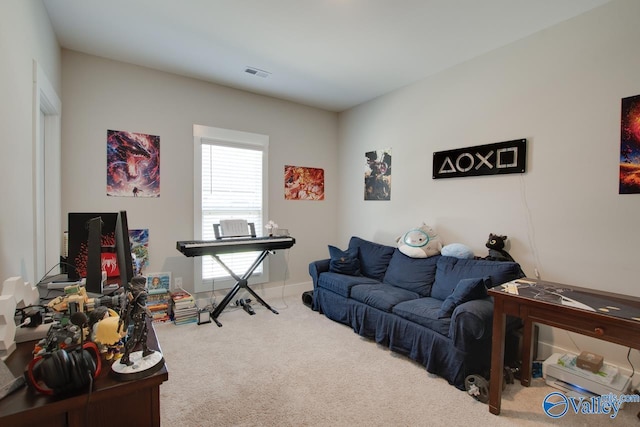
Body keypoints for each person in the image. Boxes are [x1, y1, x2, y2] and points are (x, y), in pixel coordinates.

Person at [117, 276, 153, 366]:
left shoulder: (131, 292)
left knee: (145, 332)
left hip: (137, 316)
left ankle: (145, 350)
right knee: (135, 337)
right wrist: (149, 313)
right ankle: (125, 356)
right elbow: (143, 306)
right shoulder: (140, 293)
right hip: (139, 316)